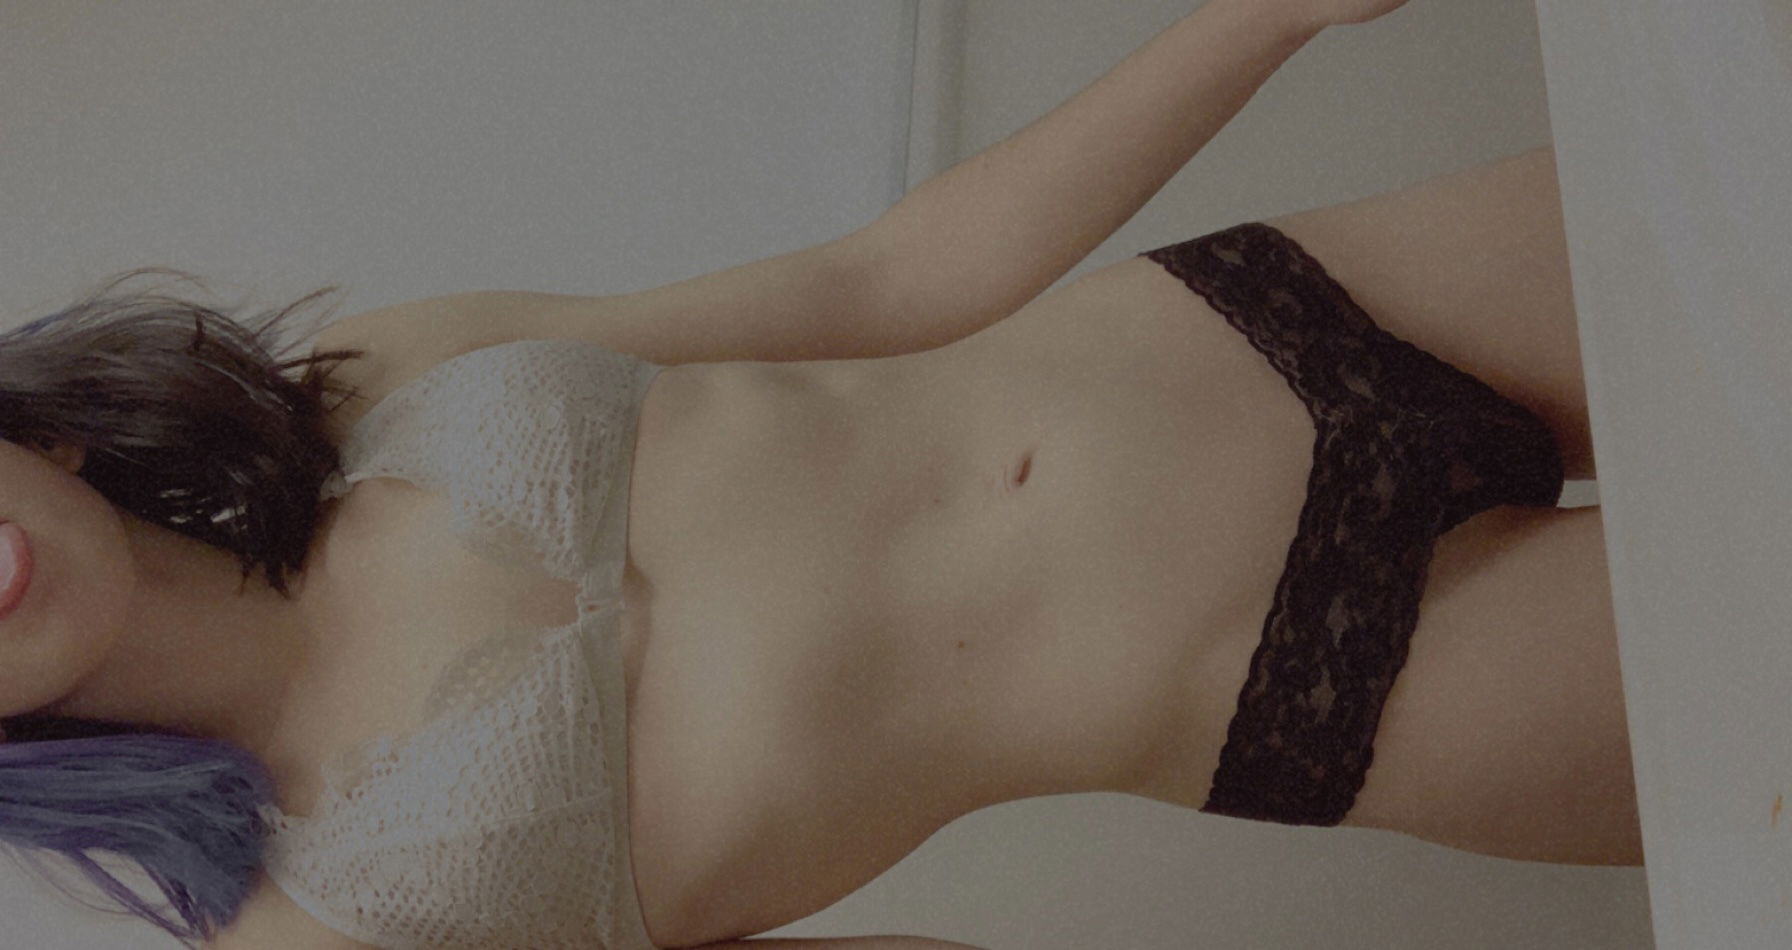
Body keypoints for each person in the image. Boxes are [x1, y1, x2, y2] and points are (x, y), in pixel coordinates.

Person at [0, 0, 1638, 947]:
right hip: (1317, 688)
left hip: (1278, 316)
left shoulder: (369, 383)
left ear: (34, 435)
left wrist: (1256, 16)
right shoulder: (320, 927)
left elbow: (881, 282)